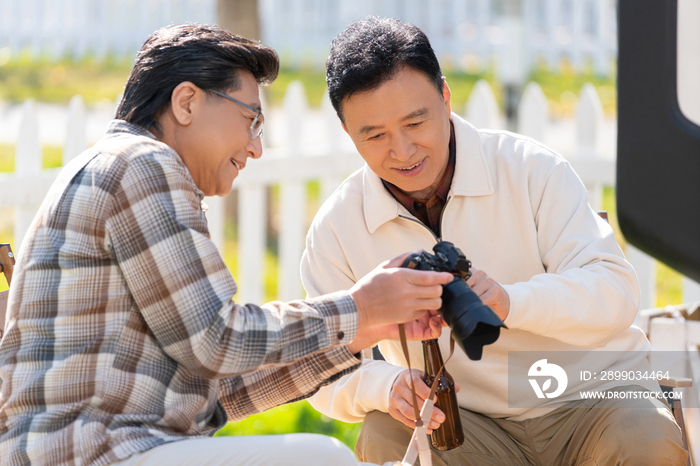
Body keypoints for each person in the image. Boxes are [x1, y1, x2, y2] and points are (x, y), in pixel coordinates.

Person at [0, 24, 455, 466]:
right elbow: (215, 342)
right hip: (93, 451)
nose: (257, 147)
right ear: (186, 102)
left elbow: (219, 392)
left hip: (102, 447)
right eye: (251, 119)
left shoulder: (122, 168)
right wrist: (359, 308)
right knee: (321, 458)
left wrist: (360, 332)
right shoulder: (142, 165)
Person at [302, 17, 688, 466]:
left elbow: (616, 291)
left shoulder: (530, 168)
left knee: (646, 437)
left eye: (415, 121)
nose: (403, 150)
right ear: (348, 132)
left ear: (445, 98)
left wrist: (510, 301)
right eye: (375, 135)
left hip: (592, 398)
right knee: (386, 433)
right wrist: (384, 386)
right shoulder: (337, 227)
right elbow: (320, 367)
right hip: (467, 423)